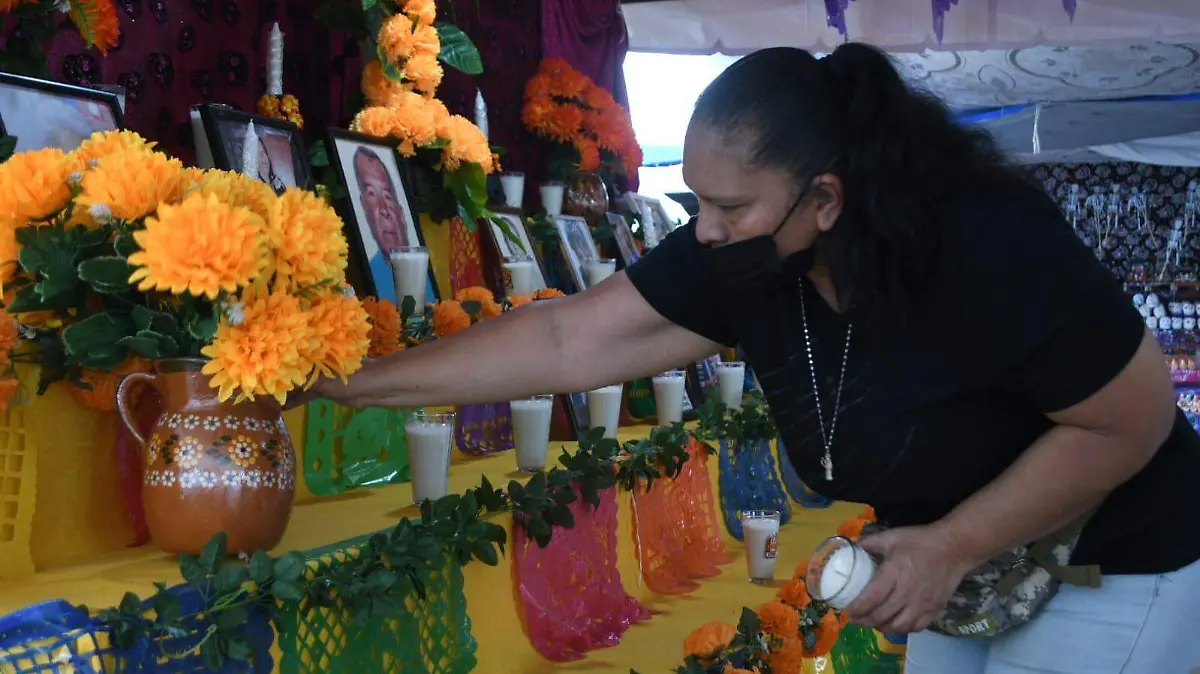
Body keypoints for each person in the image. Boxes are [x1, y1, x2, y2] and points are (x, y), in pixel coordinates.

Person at [295, 44, 1200, 672]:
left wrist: (954, 545)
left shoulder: (989, 247)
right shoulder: (746, 252)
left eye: (729, 206)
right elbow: (570, 339)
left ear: (827, 199)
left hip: (1113, 561)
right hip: (964, 574)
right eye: (695, 200)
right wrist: (354, 383)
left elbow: (1132, 419)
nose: (707, 230)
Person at [353, 146, 410, 253]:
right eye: (372, 194)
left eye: (387, 196)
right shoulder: (372, 265)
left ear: (402, 214)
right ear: (364, 209)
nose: (384, 210)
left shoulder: (421, 265)